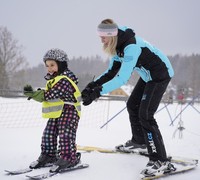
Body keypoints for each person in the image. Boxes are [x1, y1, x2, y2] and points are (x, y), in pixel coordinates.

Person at [81, 19, 175, 177]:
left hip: (160, 75)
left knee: (146, 115)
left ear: (111, 35)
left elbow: (122, 79)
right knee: (133, 105)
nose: (101, 39)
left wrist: (97, 92)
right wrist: (92, 86)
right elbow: (111, 72)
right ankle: (140, 142)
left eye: (103, 36)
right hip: (148, 76)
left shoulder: (131, 47)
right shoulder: (118, 47)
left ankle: (161, 160)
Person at [23, 48, 81, 173]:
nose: (49, 68)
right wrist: (37, 94)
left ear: (61, 64)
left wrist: (36, 94)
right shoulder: (55, 78)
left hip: (70, 110)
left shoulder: (66, 78)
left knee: (66, 134)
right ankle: (49, 155)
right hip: (58, 111)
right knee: (48, 134)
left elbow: (54, 93)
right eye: (47, 65)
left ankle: (69, 158)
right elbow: (51, 93)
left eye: (52, 65)